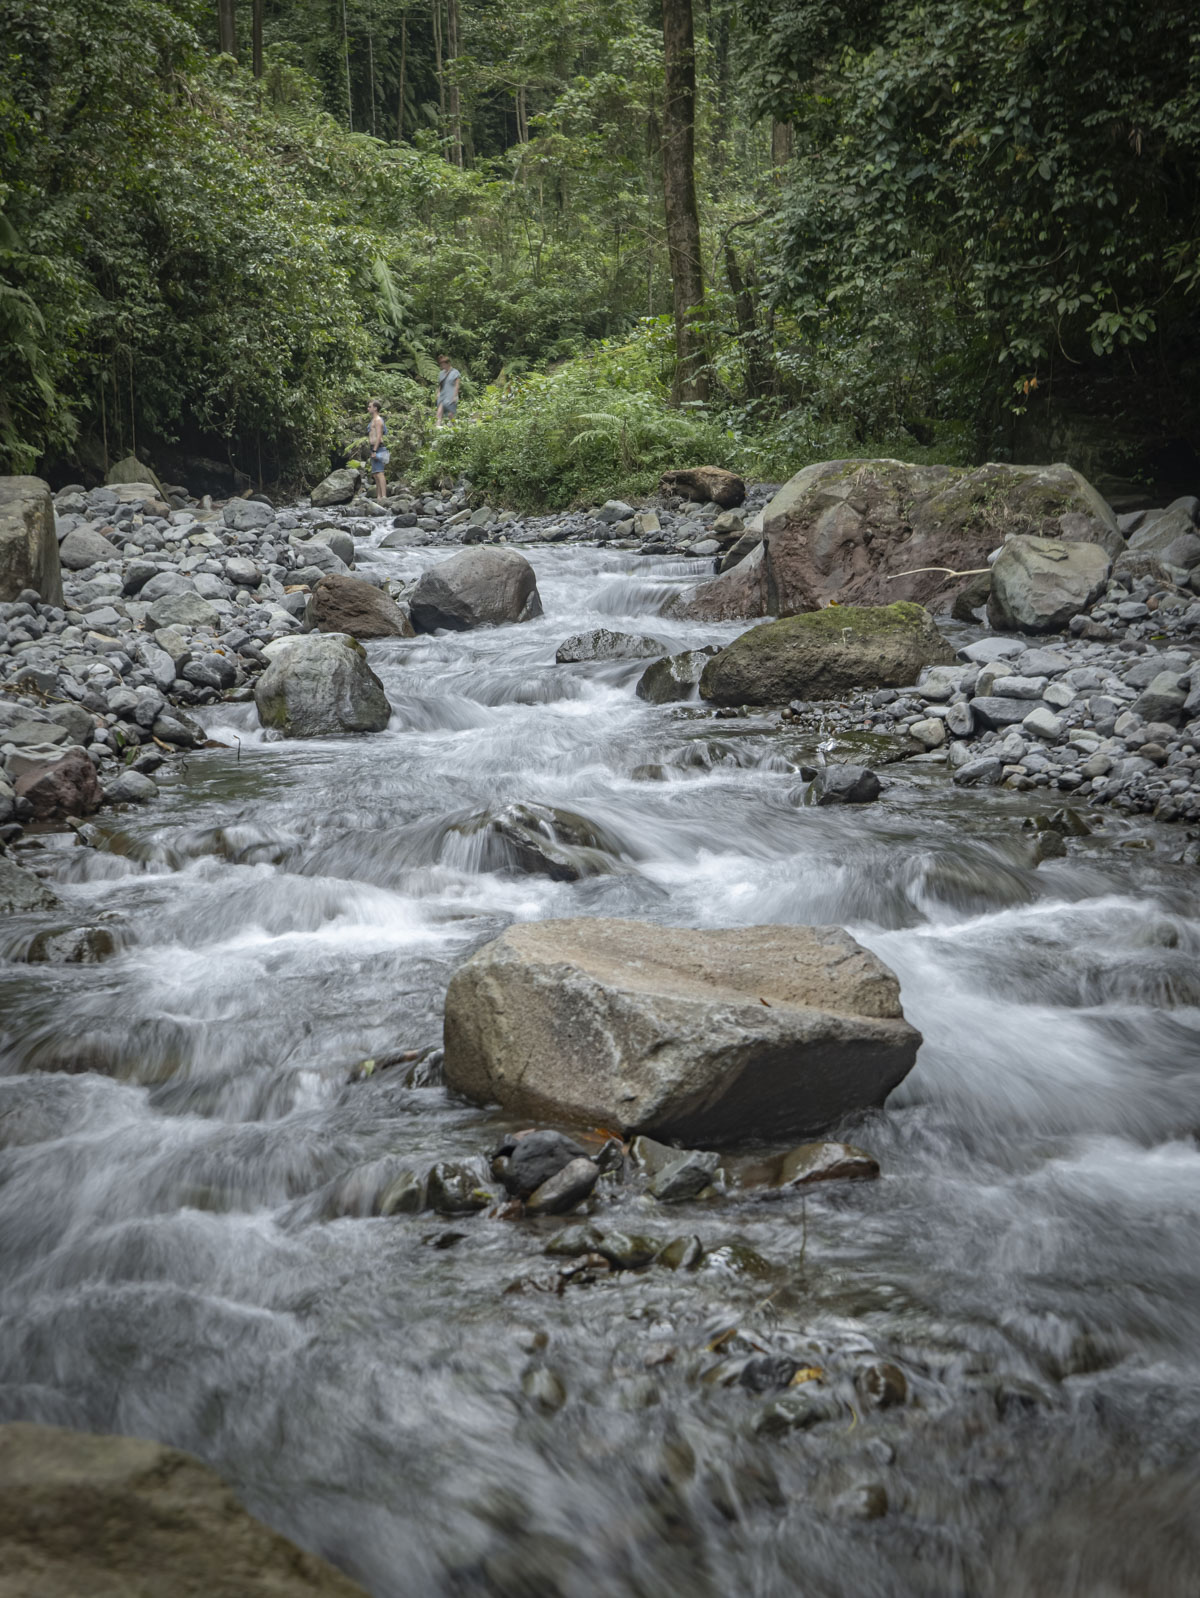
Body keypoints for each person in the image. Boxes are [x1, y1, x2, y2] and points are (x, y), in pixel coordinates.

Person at [366, 399, 389, 502]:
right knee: (375, 474)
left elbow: (379, 436)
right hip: (373, 448)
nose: (368, 408)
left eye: (370, 406)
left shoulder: (378, 420)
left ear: (375, 408)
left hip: (378, 448)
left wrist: (375, 450)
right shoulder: (372, 421)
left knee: (380, 473)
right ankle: (378, 496)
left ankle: (383, 496)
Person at [435, 355, 460, 427]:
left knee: (450, 414)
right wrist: (438, 393)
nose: (442, 366)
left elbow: (457, 385)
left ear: (448, 363)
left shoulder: (455, 372)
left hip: (451, 395)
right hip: (443, 395)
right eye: (441, 365)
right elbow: (440, 384)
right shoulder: (441, 373)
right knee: (439, 412)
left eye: (443, 364)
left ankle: (455, 427)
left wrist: (455, 396)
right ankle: (437, 428)